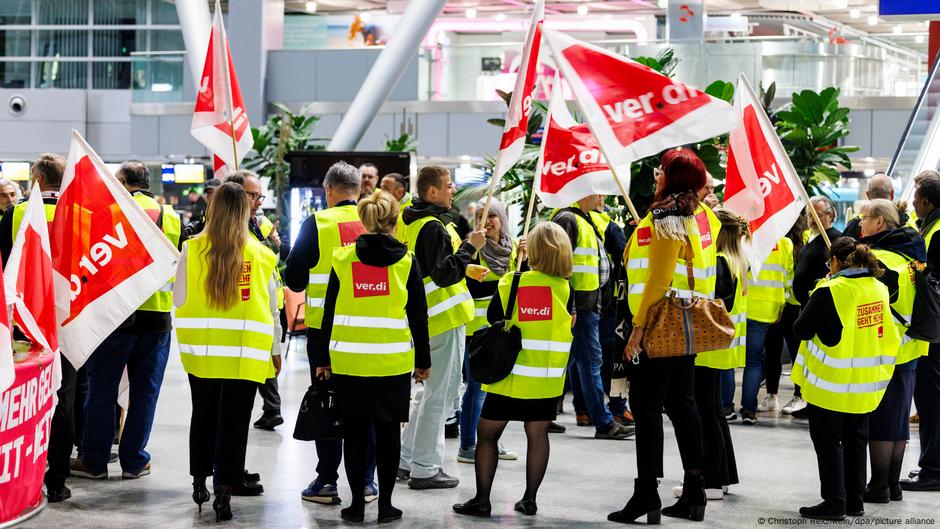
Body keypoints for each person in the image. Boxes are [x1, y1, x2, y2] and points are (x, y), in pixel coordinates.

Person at [613, 148, 719, 524]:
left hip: (659, 322)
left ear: (672, 177)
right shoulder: (702, 215)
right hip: (686, 323)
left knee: (646, 408)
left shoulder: (666, 217)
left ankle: (646, 495)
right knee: (682, 404)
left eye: (662, 169)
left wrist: (637, 330)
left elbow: (658, 277)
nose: (656, 173)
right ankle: (694, 493)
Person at [314, 191, 431, 523]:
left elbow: (329, 312)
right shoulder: (407, 262)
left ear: (364, 221)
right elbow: (418, 316)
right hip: (392, 363)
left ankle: (355, 506)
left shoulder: (343, 259)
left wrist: (322, 357)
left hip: (349, 362)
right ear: (395, 222)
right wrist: (423, 360)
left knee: (355, 433)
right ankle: (386, 506)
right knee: (388, 433)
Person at [173, 182, 282, 522]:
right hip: (245, 356)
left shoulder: (191, 250)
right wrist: (275, 351)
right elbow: (273, 310)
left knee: (203, 415)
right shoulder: (263, 255)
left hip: (201, 355)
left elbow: (178, 299)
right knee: (234, 423)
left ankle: (198, 483)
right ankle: (224, 493)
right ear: (245, 211)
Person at [70, 161, 183, 481]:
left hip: (114, 318)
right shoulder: (171, 216)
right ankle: (134, 460)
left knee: (101, 390)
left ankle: (94, 460)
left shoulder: (107, 212)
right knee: (144, 393)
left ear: (121, 182)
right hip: (157, 318)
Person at [453, 223, 574, 518]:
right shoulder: (565, 289)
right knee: (537, 435)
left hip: (510, 376)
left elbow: (495, 316)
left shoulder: (513, 282)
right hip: (545, 380)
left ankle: (482, 500)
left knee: (487, 436)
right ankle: (530, 499)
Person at [284, 161, 379, 505]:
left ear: (328, 190)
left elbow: (293, 279)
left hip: (326, 332)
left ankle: (326, 481)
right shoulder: (375, 220)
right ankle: (367, 482)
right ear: (358, 189)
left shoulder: (318, 223)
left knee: (327, 401)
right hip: (372, 328)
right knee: (366, 405)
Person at [791, 237, 900, 520]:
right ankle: (854, 501)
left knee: (828, 444)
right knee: (855, 442)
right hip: (864, 384)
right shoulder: (878, 287)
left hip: (830, 384)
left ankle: (834, 502)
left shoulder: (831, 290)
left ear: (837, 262)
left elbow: (801, 329)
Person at [398, 165, 485, 489]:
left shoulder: (413, 222)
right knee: (441, 396)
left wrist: (466, 266)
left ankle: (408, 460)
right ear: (431, 191)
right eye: (448, 185)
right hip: (444, 319)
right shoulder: (434, 227)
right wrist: (469, 246)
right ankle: (425, 467)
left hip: (429, 319)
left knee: (427, 395)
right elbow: (443, 274)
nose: (453, 190)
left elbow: (432, 270)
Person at [0, 154, 70, 501]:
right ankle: (57, 480)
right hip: (68, 320)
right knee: (65, 398)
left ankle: (23, 468)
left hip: (24, 321)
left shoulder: (16, 213)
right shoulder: (80, 214)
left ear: (39, 180)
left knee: (24, 396)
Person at [857, 199, 928, 502]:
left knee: (883, 420)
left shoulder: (881, 258)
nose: (860, 224)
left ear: (879, 223)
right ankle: (893, 484)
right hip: (911, 346)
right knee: (898, 420)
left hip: (887, 348)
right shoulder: (911, 252)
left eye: (864, 218)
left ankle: (878, 486)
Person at [551, 194, 633, 440]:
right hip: (580, 306)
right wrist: (571, 305)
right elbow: (560, 267)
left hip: (588, 305)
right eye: (597, 190)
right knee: (590, 362)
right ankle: (604, 422)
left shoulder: (586, 220)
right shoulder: (569, 219)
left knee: (578, 362)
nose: (602, 195)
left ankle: (544, 416)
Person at [684, 208, 747, 501]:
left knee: (707, 414)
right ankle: (723, 476)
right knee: (714, 414)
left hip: (709, 348)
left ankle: (710, 481)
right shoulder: (738, 261)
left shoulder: (721, 263)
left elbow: (714, 305)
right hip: (724, 347)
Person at [458, 199, 520, 464]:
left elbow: (520, 286)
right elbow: (469, 289)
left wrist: (524, 266)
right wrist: (503, 287)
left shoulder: (514, 247)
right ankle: (468, 445)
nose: (487, 221)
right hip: (476, 330)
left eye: (492, 215)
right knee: (476, 388)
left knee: (498, 390)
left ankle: (489, 441)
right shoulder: (472, 248)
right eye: (481, 216)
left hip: (503, 330)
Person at [226, 170, 284, 432]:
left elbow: (273, 256)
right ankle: (271, 408)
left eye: (260, 195)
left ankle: (272, 409)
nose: (259, 201)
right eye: (253, 195)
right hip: (241, 308)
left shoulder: (260, 223)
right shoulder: (225, 228)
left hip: (268, 303)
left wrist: (275, 244)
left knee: (266, 360)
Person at [901, 170, 940, 491]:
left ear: (927, 201)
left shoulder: (938, 232)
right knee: (928, 399)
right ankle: (930, 463)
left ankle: (934, 469)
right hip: (931, 325)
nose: (913, 204)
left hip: (935, 328)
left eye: (916, 200)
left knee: (931, 398)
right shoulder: (928, 226)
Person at [787, 196, 843, 417]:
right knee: (806, 356)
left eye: (817, 214)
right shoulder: (810, 238)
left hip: (820, 306)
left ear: (830, 215)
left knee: (818, 355)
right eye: (809, 215)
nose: (812, 219)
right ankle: (805, 398)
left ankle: (815, 401)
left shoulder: (835, 240)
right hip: (805, 305)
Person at [739, 233, 794, 424]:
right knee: (755, 361)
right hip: (770, 309)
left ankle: (725, 406)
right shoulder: (785, 243)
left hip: (744, 306)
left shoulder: (744, 239)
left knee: (736, 360)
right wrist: (782, 305)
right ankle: (748, 410)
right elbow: (788, 277)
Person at [761, 216, 807, 416]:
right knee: (774, 352)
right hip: (783, 304)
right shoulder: (777, 238)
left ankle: (796, 396)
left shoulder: (801, 238)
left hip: (789, 305)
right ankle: (773, 396)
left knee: (790, 353)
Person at [842, 174, 894, 239]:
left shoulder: (855, 225)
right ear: (892, 194)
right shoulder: (906, 221)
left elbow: (841, 247)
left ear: (868, 195)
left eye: (865, 218)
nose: (861, 223)